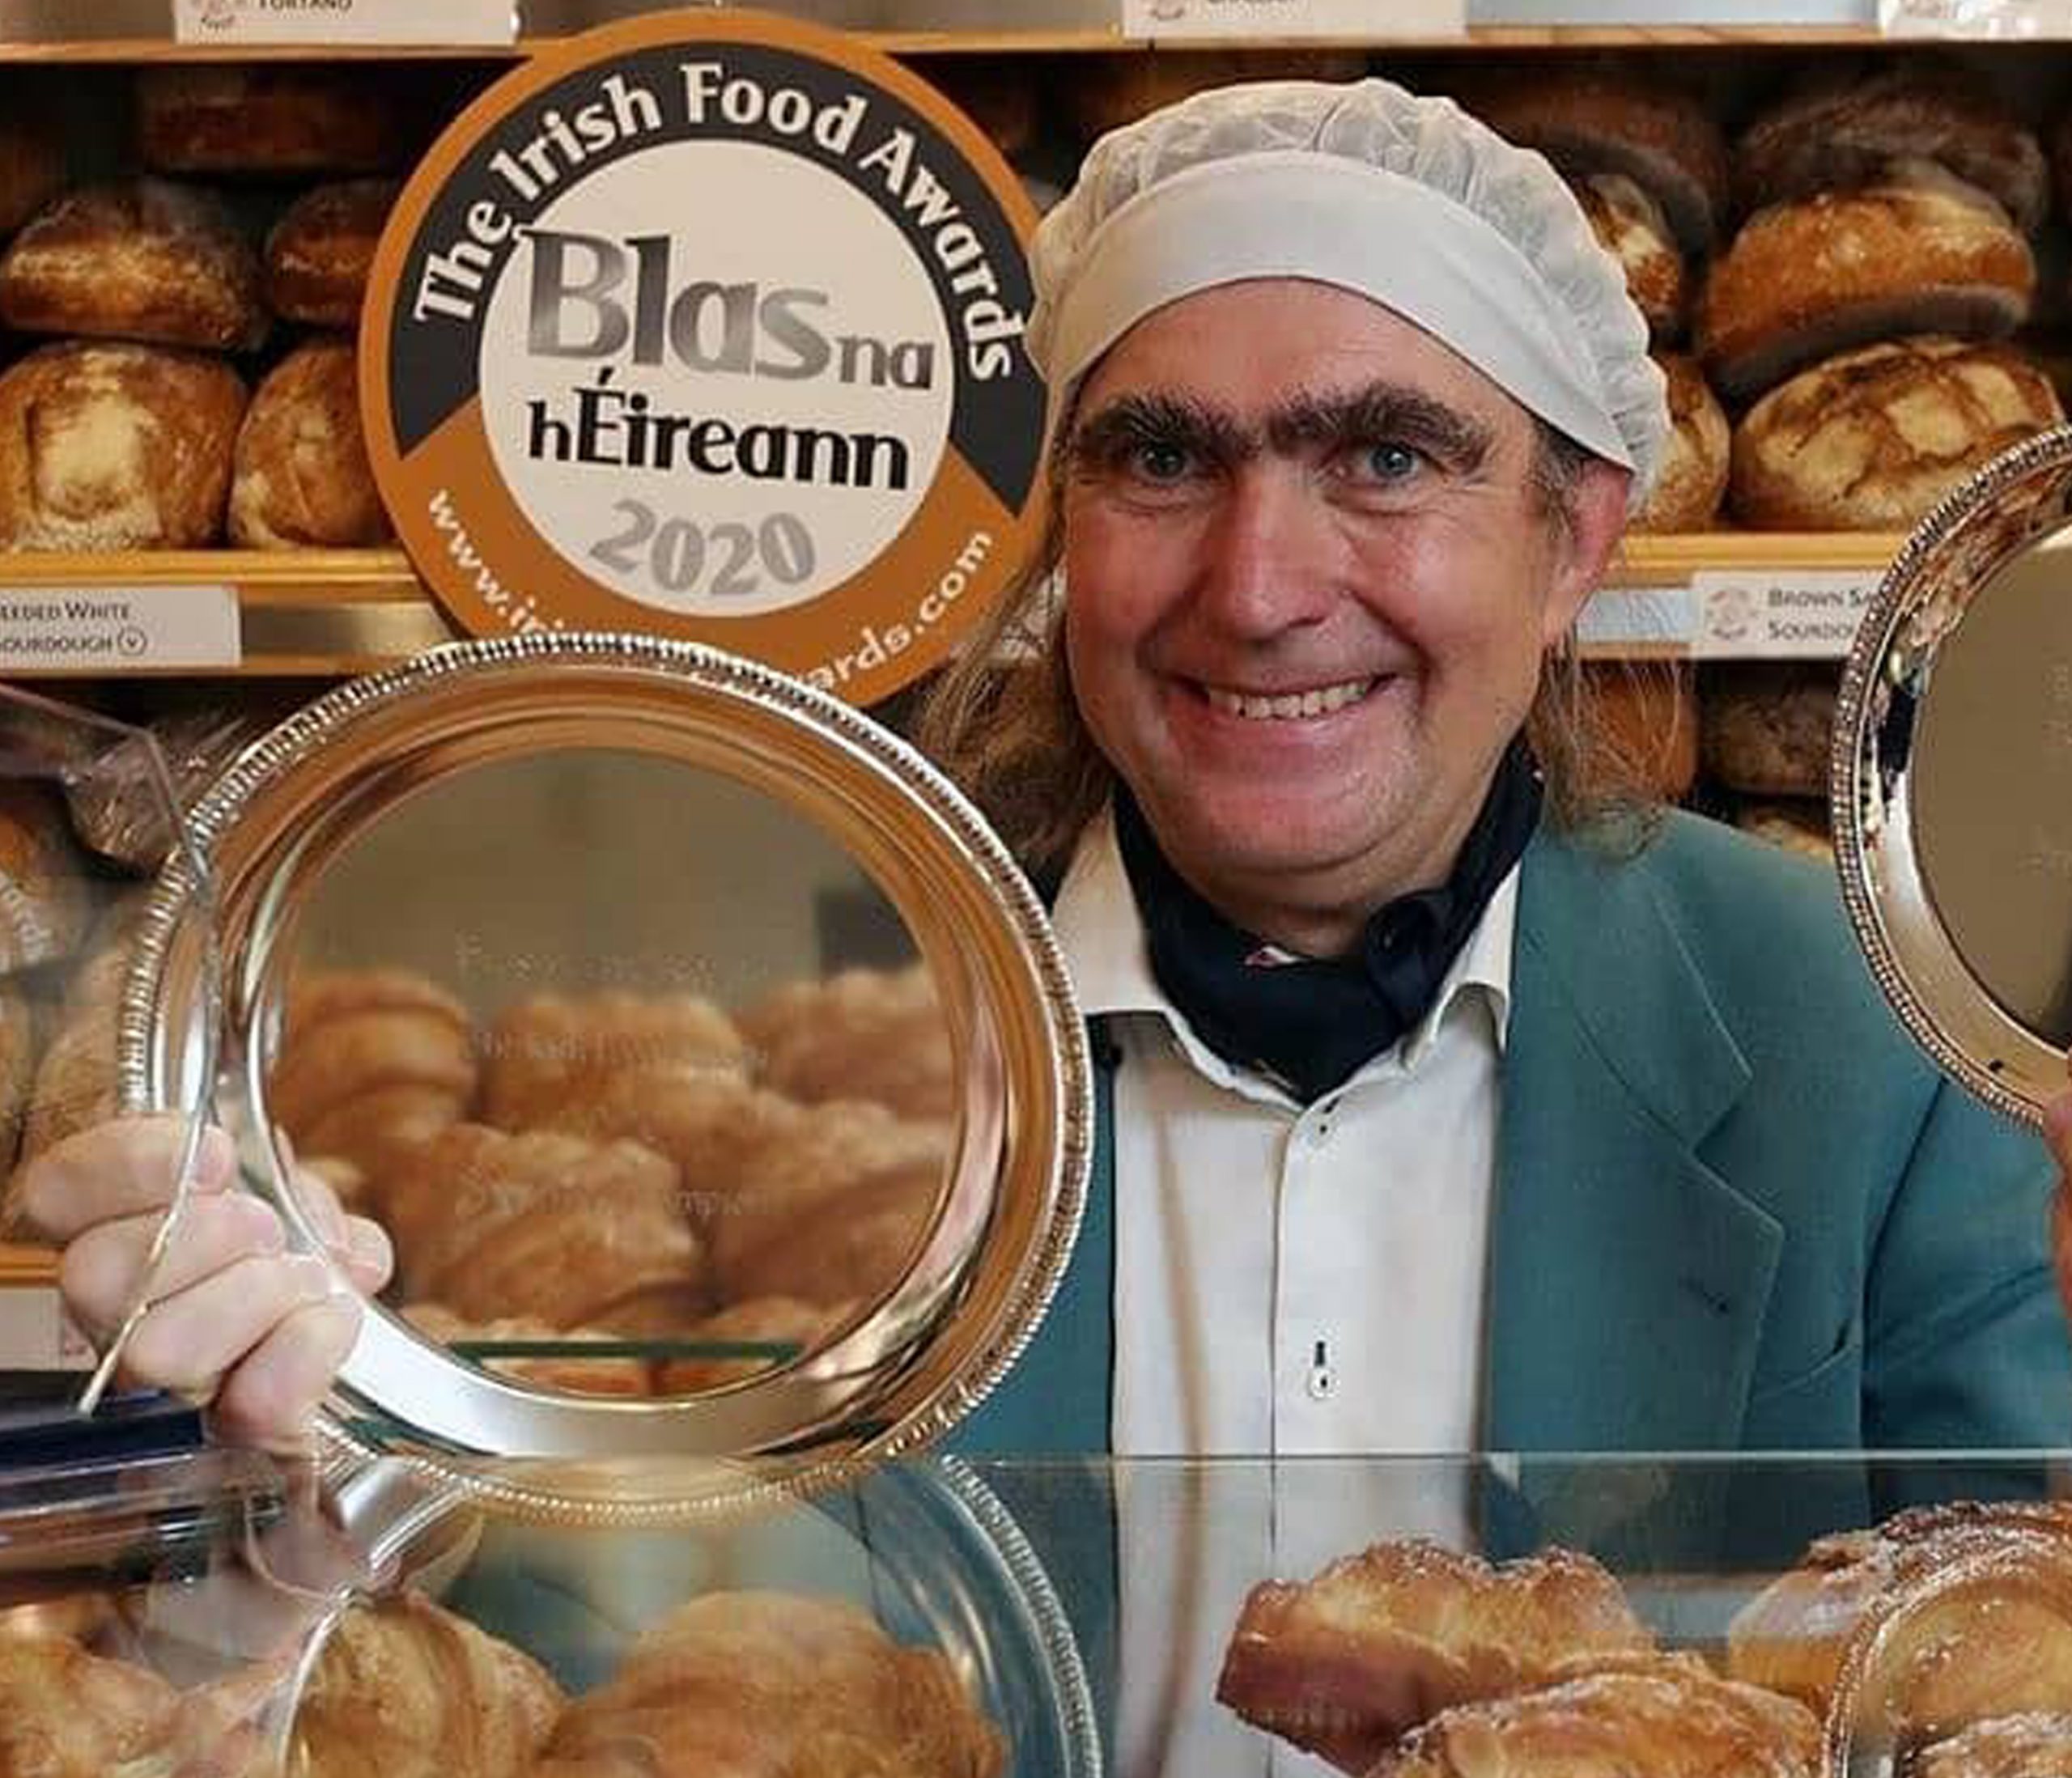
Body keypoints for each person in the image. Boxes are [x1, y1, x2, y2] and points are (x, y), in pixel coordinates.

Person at [19, 74, 2072, 1469]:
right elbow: (588, 1682)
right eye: (1161, 459)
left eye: (1385, 456)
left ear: (1571, 540)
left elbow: (1992, 1726)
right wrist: (291, 1474)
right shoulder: (812, 1071)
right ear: (1059, 530)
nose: (1261, 591)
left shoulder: (1872, 1047)